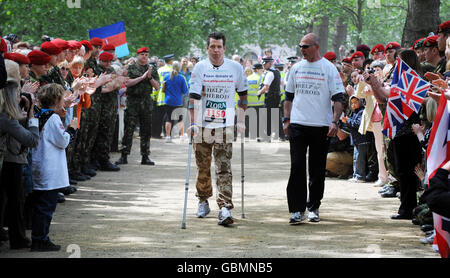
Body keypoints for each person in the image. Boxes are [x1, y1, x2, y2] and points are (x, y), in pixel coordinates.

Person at [283, 33, 345, 224]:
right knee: (297, 167)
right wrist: (286, 119)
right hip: (298, 124)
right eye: (300, 46)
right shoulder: (296, 68)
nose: (302, 49)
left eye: (306, 46)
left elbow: (338, 98)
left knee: (317, 169)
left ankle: (314, 206)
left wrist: (335, 121)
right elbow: (288, 96)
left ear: (316, 47)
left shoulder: (329, 68)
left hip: (321, 126)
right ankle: (296, 209)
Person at [188, 32, 248, 226]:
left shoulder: (235, 68)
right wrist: (193, 123)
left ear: (224, 48)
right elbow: (194, 98)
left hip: (225, 125)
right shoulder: (200, 67)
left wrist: (240, 120)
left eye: (219, 47)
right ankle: (203, 200)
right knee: (203, 166)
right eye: (212, 46)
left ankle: (224, 206)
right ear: (207, 48)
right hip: (203, 125)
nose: (215, 50)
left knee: (224, 166)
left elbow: (244, 96)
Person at [31, 83, 77, 251]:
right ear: (57, 100)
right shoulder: (53, 118)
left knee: (38, 206)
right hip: (49, 168)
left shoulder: (38, 114)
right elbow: (62, 141)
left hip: (38, 164)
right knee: (46, 207)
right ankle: (40, 239)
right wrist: (71, 129)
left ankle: (38, 236)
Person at [0, 60, 39, 249]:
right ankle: (18, 237)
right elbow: (32, 140)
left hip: (9, 156)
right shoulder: (5, 115)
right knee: (15, 199)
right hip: (10, 158)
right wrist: (31, 114)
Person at [116, 47, 160, 165]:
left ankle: (145, 156)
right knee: (128, 129)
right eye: (142, 54)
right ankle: (124, 155)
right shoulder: (131, 68)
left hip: (146, 102)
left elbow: (157, 86)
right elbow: (127, 82)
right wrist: (142, 77)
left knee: (146, 130)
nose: (144, 57)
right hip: (133, 102)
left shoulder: (152, 69)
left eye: (146, 55)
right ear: (138, 55)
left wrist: (149, 77)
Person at [162, 61, 188, 143]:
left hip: (168, 100)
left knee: (168, 118)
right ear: (179, 68)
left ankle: (168, 137)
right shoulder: (181, 78)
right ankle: (182, 135)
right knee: (180, 119)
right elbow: (185, 91)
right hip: (178, 101)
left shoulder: (166, 77)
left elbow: (163, 88)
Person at [257, 56, 281, 142]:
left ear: (270, 63)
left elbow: (266, 87)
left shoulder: (269, 73)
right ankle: (281, 135)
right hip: (276, 97)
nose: (263, 66)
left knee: (266, 117)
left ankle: (267, 136)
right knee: (275, 116)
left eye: (265, 64)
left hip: (270, 97)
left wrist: (259, 92)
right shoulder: (276, 72)